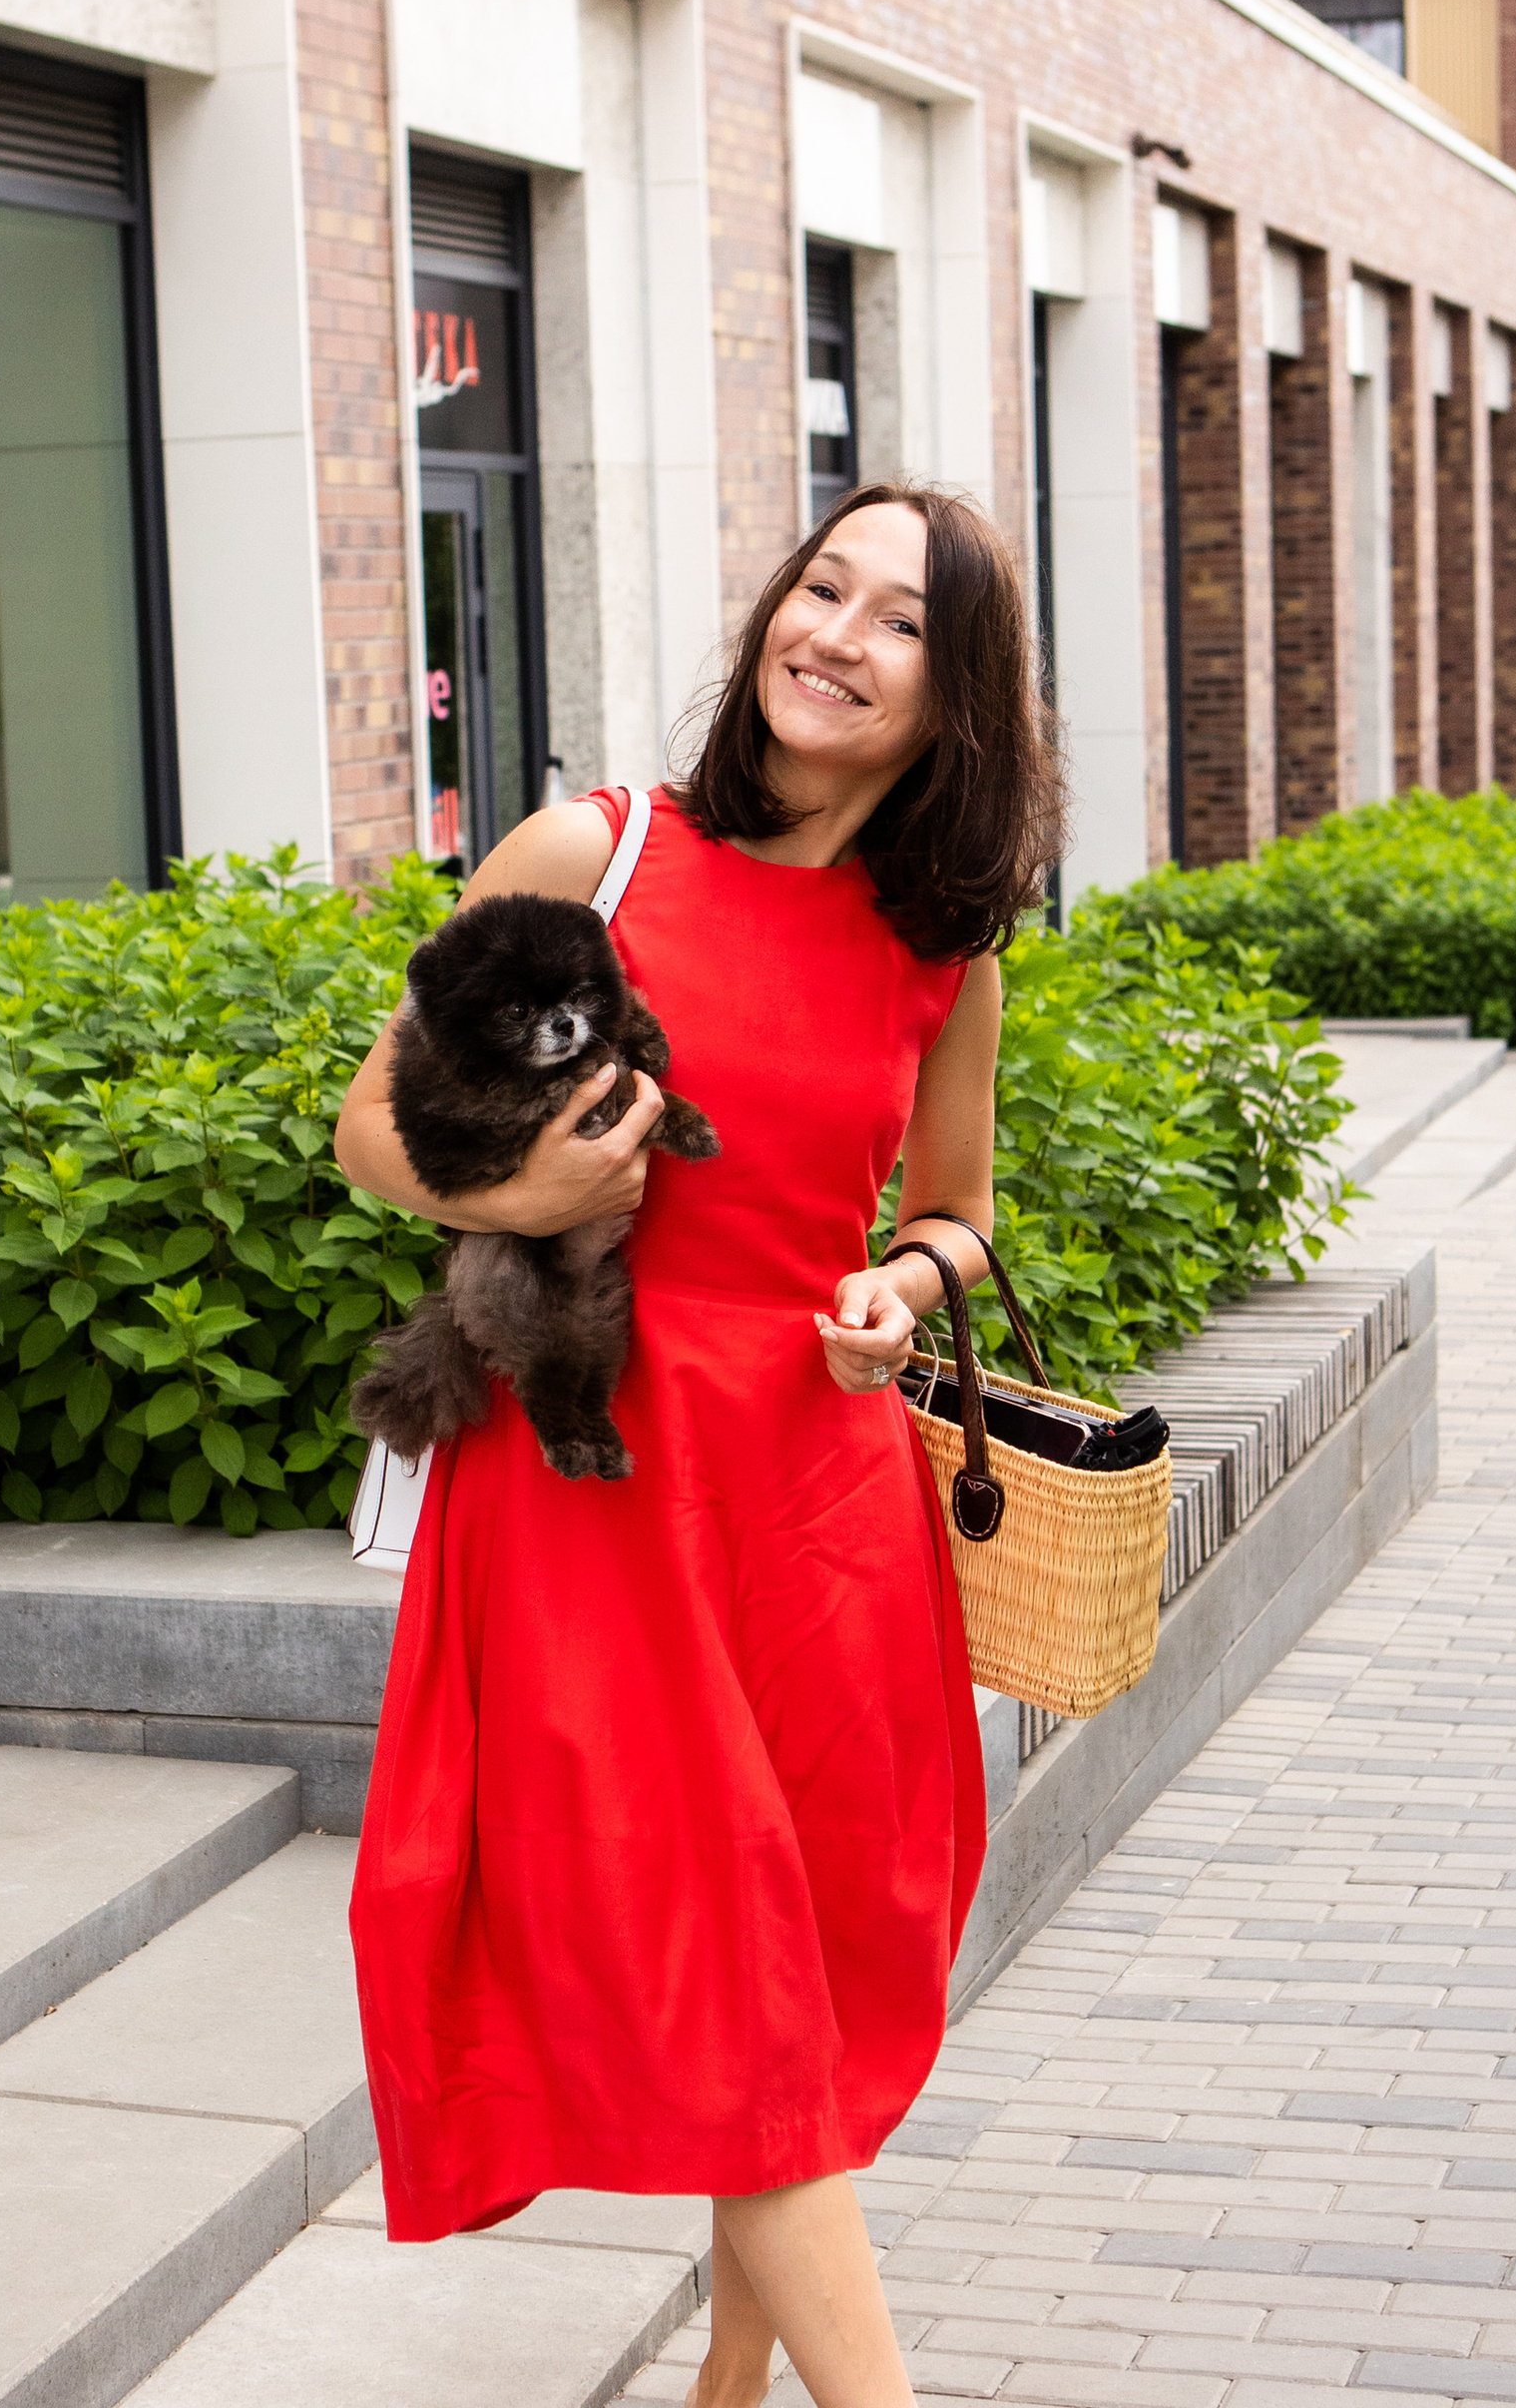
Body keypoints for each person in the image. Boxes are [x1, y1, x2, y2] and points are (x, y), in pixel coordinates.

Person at [336, 482, 1064, 2408]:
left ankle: (725, 2392)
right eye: (819, 588)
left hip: (819, 1500)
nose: (832, 632)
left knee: (814, 1970)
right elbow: (370, 1134)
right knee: (726, 1977)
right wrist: (535, 1180)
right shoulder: (601, 849)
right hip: (594, 1483)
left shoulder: (944, 946)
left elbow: (957, 1209)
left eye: (896, 618)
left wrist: (903, 1292)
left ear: (955, 692)